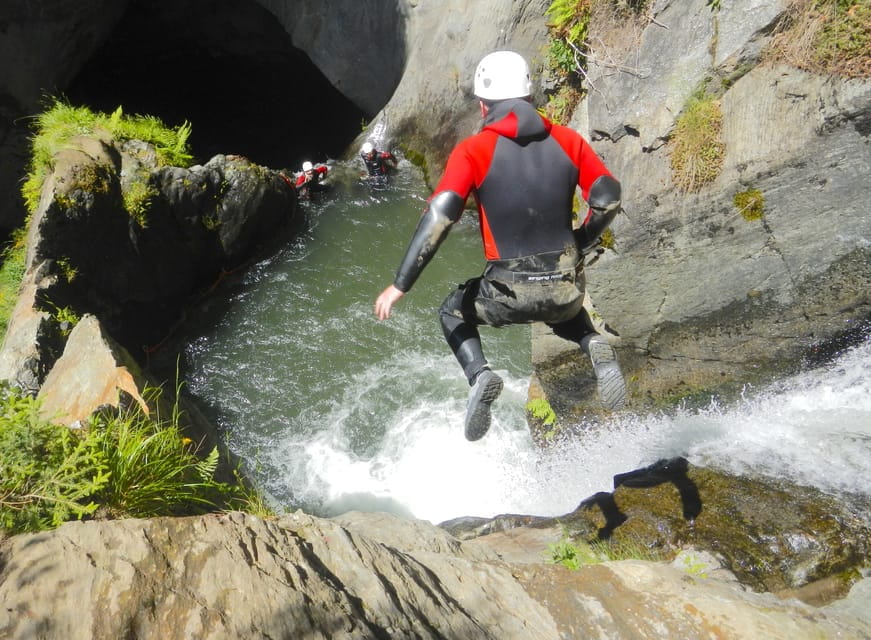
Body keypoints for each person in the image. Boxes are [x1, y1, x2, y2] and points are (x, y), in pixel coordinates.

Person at [374, 50, 626, 441]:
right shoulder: (569, 140)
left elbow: (440, 216)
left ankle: (481, 376)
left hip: (506, 291)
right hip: (564, 285)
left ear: (483, 105)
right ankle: (591, 341)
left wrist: (400, 284)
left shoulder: (473, 150)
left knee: (451, 311)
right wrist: (581, 241)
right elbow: (608, 197)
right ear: (528, 96)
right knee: (560, 308)